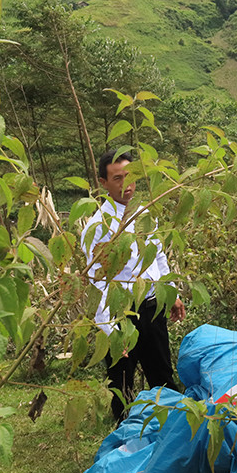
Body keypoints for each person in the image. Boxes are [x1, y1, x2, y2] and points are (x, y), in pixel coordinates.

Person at [80, 149, 185, 423]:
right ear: (103, 183)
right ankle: (125, 442)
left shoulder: (145, 214)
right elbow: (98, 284)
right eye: (117, 178)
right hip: (121, 315)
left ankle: (173, 431)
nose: (125, 184)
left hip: (152, 308)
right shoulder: (99, 227)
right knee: (122, 386)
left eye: (130, 176)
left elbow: (158, 255)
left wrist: (170, 293)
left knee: (162, 376)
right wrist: (111, 331)